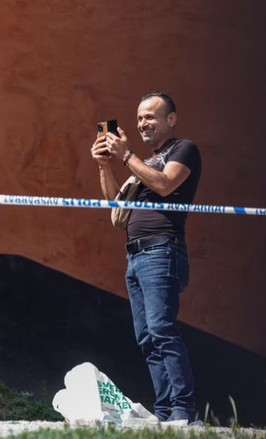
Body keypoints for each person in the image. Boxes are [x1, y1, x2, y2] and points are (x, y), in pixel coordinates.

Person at [90, 92, 201, 423]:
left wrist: (127, 157)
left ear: (171, 119)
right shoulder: (144, 160)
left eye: (151, 117)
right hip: (135, 255)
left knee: (162, 329)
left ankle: (184, 410)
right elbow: (116, 203)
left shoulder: (183, 150)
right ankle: (166, 412)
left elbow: (166, 185)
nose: (143, 123)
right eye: (139, 118)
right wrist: (103, 165)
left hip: (161, 250)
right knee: (148, 338)